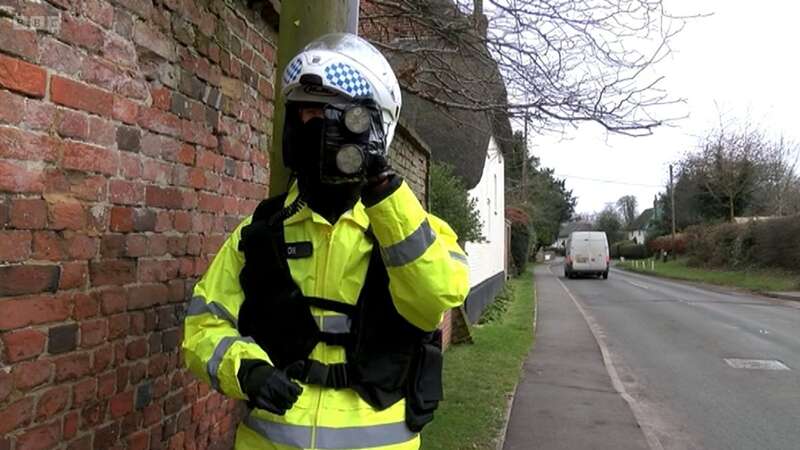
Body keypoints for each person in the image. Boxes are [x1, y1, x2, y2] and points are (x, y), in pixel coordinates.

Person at [182, 33, 470, 450]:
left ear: (374, 128)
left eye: (336, 116)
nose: (316, 127)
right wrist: (246, 370)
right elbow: (204, 323)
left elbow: (435, 297)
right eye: (306, 113)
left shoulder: (417, 230)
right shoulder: (261, 231)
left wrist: (386, 197)